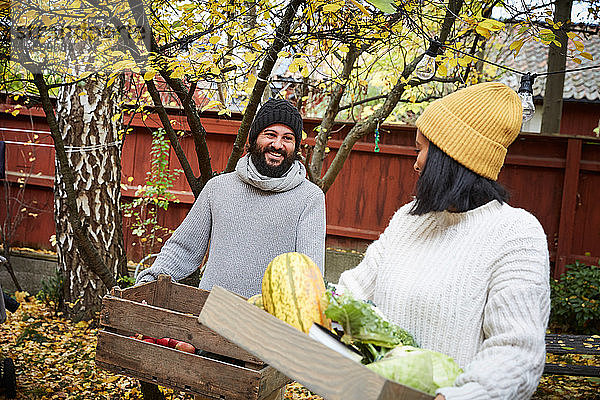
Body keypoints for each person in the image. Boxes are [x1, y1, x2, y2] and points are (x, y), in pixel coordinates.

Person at [337, 82, 550, 399]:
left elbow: (516, 352)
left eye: (421, 148)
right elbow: (352, 292)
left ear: (450, 156)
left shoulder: (516, 234)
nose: (416, 162)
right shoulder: (409, 219)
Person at [136, 98, 326, 298]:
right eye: (270, 134)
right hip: (209, 314)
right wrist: (148, 283)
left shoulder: (309, 198)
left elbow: (310, 273)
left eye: (287, 138)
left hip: (269, 323)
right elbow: (183, 248)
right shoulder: (218, 188)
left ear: (296, 147)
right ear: (253, 139)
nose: (277, 145)